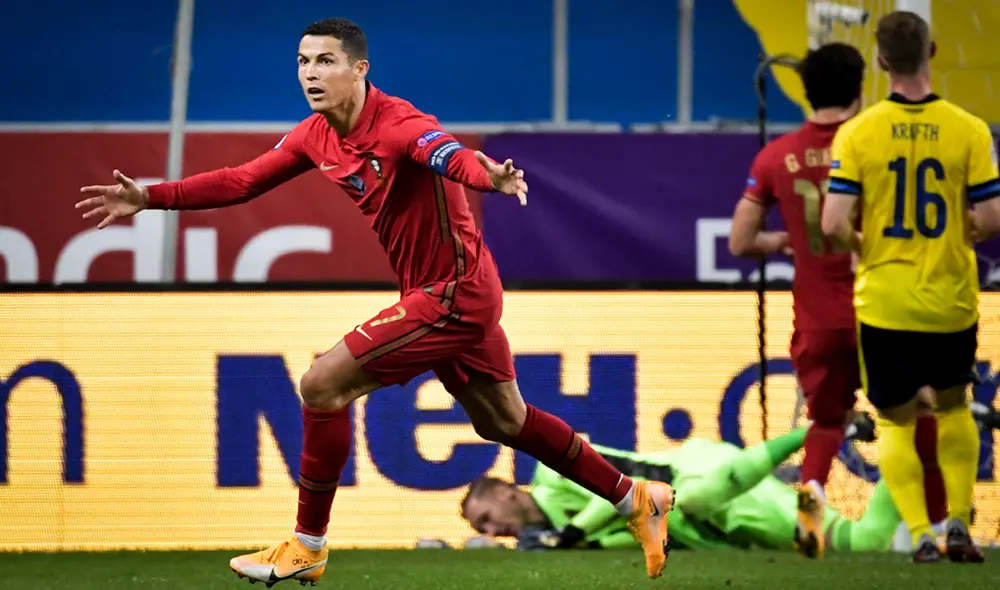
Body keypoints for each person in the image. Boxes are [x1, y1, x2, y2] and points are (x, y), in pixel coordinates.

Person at [75, 17, 673, 584]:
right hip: (444, 291)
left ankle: (306, 548)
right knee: (504, 421)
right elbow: (242, 181)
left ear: (359, 69)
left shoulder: (399, 123)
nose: (311, 73)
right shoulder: (315, 135)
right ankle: (633, 495)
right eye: (304, 61)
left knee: (321, 385)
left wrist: (487, 177)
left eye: (326, 61)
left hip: (454, 294)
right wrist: (151, 196)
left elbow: (449, 154)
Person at [728, 41, 948, 559]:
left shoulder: (776, 155)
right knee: (918, 415)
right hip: (883, 310)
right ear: (859, 86)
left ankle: (812, 504)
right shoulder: (877, 142)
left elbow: (740, 242)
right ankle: (933, 527)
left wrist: (780, 241)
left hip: (816, 317)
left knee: (827, 423)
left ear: (805, 90)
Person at [821, 10, 1000, 563]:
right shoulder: (969, 128)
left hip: (886, 300)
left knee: (896, 417)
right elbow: (991, 218)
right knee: (952, 407)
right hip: (950, 299)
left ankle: (921, 534)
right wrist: (953, 236)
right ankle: (960, 523)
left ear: (879, 61)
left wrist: (866, 245)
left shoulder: (858, 133)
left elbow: (830, 225)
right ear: (934, 51)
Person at [460, 417, 908, 554]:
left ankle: (824, 430)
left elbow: (633, 491)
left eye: (487, 518)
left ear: (505, 491)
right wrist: (572, 542)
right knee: (863, 543)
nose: (492, 529)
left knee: (691, 500)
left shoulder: (552, 472)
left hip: (699, 477)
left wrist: (572, 536)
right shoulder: (562, 537)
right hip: (720, 527)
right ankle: (921, 459)